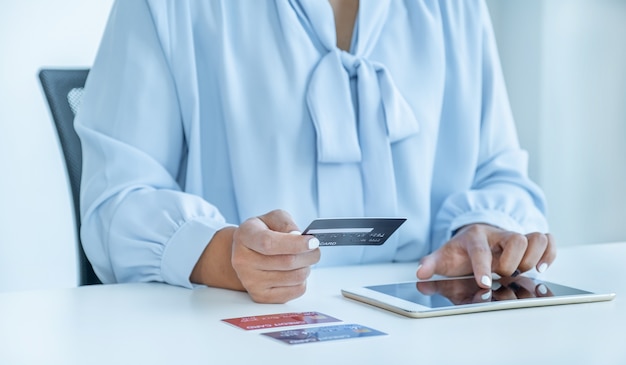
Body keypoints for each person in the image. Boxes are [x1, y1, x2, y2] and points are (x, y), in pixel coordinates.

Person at [75, 0, 556, 304]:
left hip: (428, 334)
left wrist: (483, 230)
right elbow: (117, 199)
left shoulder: (456, 8)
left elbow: (499, 172)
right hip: (236, 335)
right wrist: (224, 256)